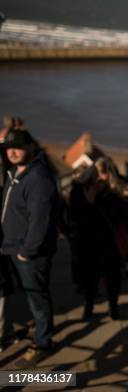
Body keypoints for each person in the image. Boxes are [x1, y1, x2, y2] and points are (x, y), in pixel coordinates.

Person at [0, 129, 58, 368]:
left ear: (30, 148)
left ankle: (43, 342)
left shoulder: (39, 179)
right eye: (8, 148)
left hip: (28, 252)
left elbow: (39, 221)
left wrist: (27, 250)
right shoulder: (15, 172)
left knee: (37, 296)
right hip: (9, 247)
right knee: (27, 295)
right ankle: (40, 329)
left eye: (18, 147)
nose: (12, 152)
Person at [69, 159, 128, 321]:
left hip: (109, 243)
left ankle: (113, 306)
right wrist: (89, 200)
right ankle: (88, 306)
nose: (100, 179)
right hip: (87, 243)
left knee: (112, 277)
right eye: (96, 175)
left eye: (103, 174)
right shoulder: (79, 192)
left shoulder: (114, 196)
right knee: (89, 277)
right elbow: (74, 216)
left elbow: (120, 219)